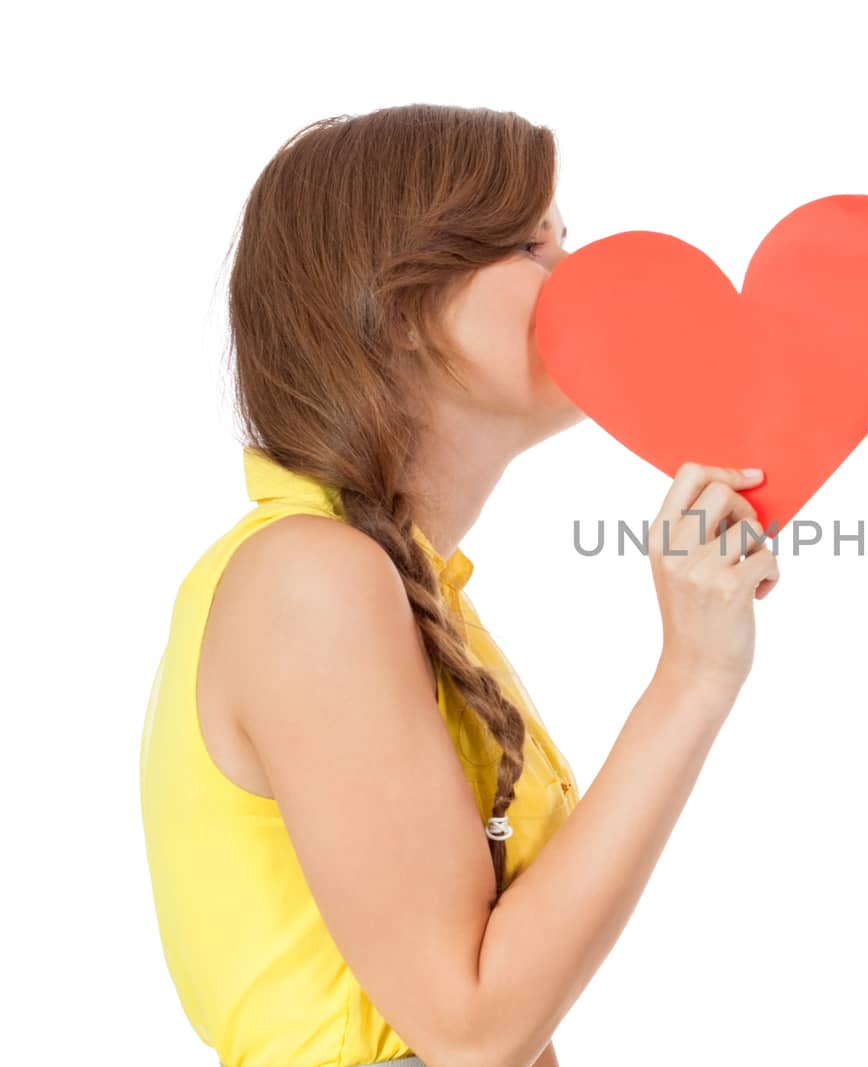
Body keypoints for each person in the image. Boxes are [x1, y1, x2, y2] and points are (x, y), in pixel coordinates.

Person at [139, 105, 779, 1067]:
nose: (583, 279)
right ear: (397, 309)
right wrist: (691, 675)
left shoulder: (395, 580)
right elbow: (472, 1026)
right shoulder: (311, 579)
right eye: (533, 245)